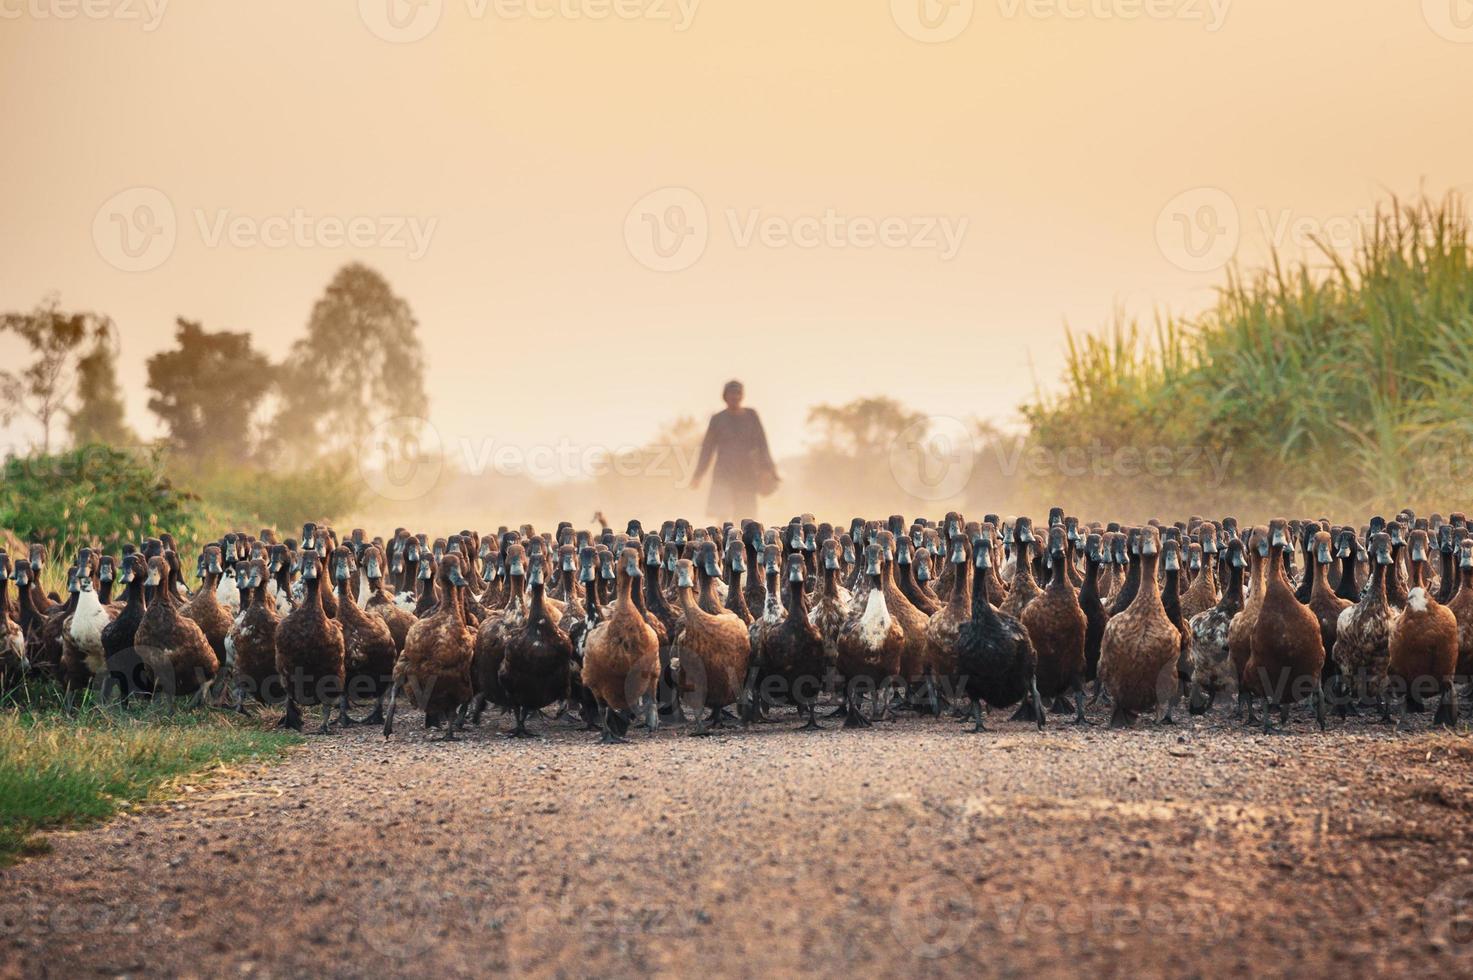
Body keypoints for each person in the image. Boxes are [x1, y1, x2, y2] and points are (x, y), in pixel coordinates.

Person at [689, 380, 779, 520]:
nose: (735, 397)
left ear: (742, 396)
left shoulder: (751, 416)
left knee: (746, 519)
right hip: (723, 474)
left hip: (747, 474)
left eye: (738, 393)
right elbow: (707, 449)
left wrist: (768, 469)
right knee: (722, 516)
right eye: (731, 393)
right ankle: (722, 541)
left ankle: (744, 541)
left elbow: (762, 444)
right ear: (725, 396)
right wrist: (698, 474)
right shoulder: (718, 419)